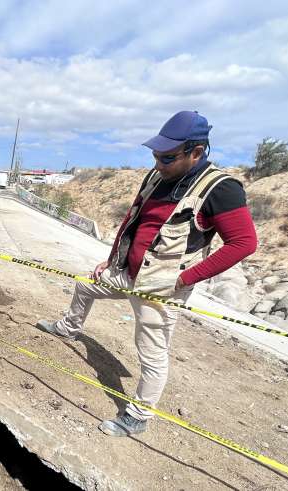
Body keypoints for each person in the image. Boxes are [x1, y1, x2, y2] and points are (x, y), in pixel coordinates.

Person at [36, 111, 257, 437]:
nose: (158, 163)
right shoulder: (157, 177)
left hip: (162, 287)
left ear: (196, 152)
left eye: (167, 157)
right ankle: (68, 328)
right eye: (155, 155)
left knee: (151, 352)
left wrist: (183, 280)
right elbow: (133, 219)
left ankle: (138, 416)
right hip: (128, 272)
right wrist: (111, 260)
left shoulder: (220, 189)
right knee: (84, 286)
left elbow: (244, 243)